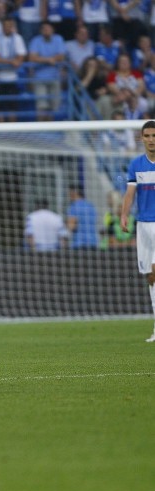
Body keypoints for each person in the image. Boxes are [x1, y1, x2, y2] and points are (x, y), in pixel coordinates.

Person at [120, 120, 155, 342]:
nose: (152, 140)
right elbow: (130, 193)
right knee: (150, 277)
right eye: (148, 136)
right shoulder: (136, 164)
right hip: (143, 225)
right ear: (141, 138)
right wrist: (124, 214)